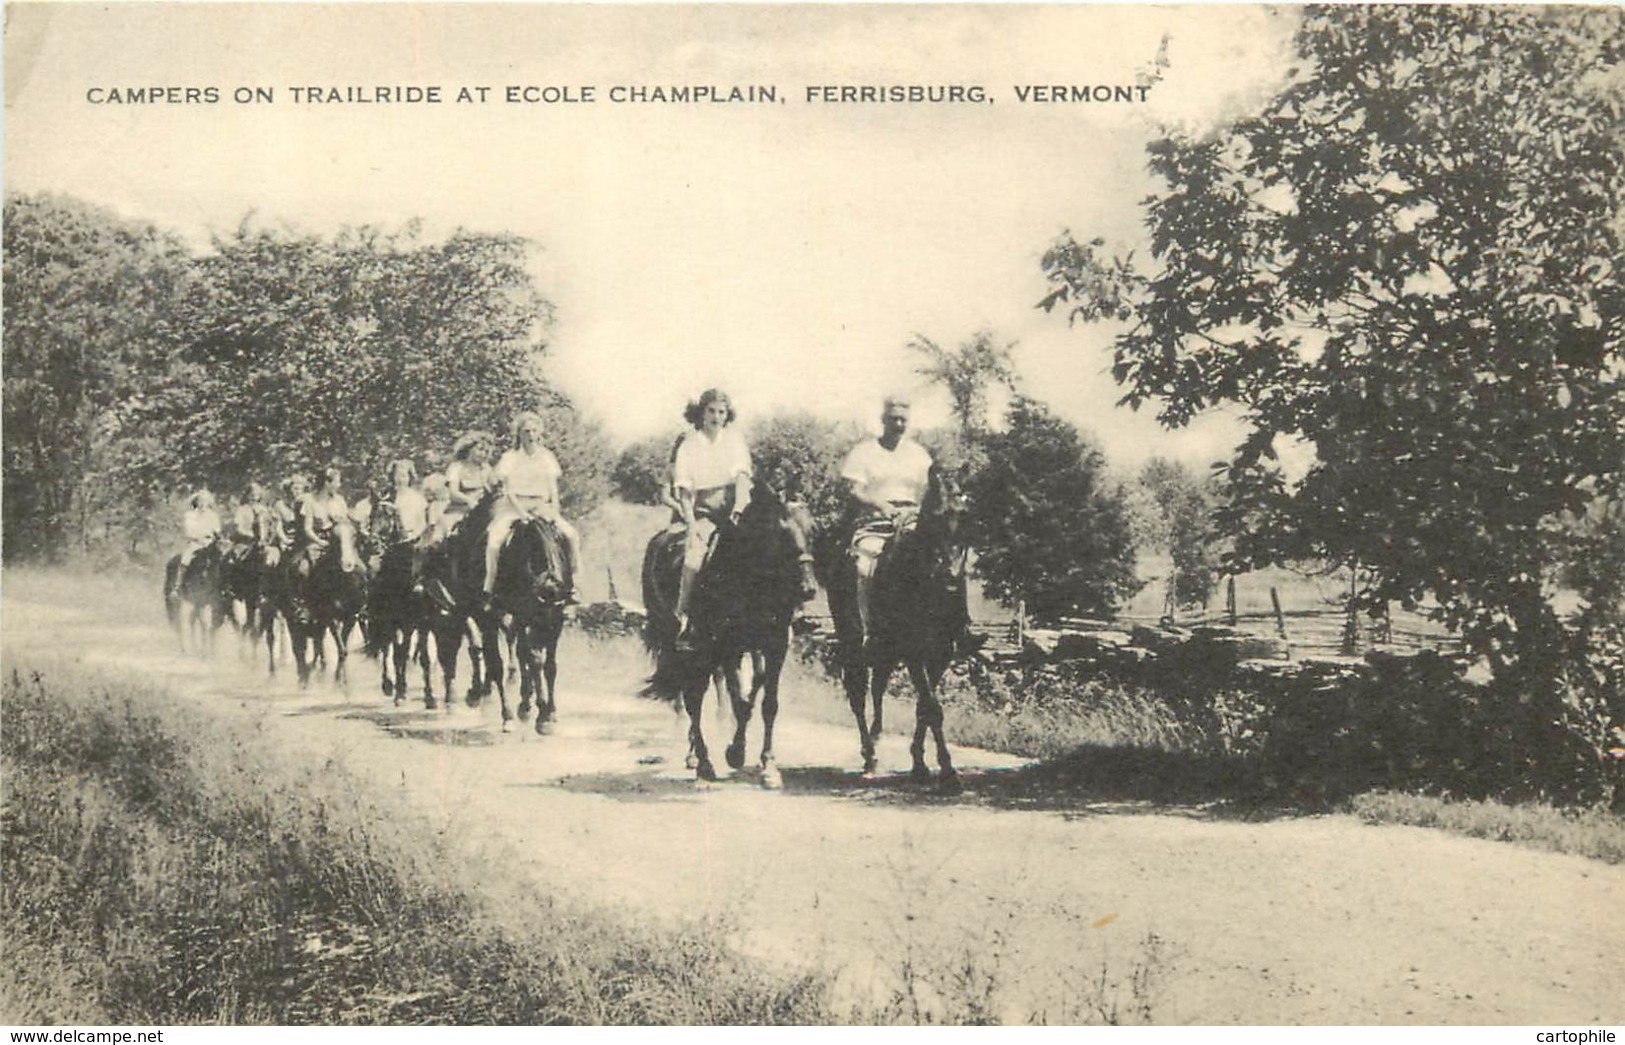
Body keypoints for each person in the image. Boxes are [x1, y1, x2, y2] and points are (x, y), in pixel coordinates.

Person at [839, 395, 935, 651]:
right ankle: (868, 629)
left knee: (944, 562)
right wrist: (882, 506)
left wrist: (915, 513)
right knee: (863, 566)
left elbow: (929, 491)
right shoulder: (865, 452)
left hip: (912, 520)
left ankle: (951, 627)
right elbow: (855, 491)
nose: (899, 424)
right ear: (883, 420)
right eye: (894, 419)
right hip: (875, 521)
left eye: (903, 419)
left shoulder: (919, 455)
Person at [670, 388, 753, 640]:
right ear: (701, 413)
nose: (717, 417)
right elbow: (684, 490)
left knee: (769, 546)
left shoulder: (734, 440)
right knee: (693, 560)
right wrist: (692, 523)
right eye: (712, 411)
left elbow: (741, 475)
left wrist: (739, 506)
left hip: (737, 507)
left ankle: (782, 616)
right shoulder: (689, 444)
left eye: (722, 411)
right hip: (705, 511)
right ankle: (684, 616)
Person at [481, 411, 583, 606]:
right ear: (519, 434)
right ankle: (490, 586)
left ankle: (573, 585)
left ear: (539, 433)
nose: (530, 435)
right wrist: (521, 513)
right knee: (494, 542)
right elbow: (508, 490)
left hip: (541, 505)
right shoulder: (510, 457)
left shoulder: (547, 457)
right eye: (526, 431)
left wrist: (554, 509)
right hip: (513, 507)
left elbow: (553, 487)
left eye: (534, 431)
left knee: (571, 535)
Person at [295, 465, 361, 576]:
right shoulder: (310, 500)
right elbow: (308, 528)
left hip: (338, 540)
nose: (339, 485)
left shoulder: (339, 500)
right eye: (337, 482)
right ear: (327, 483)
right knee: (303, 571)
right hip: (319, 541)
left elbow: (345, 523)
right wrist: (319, 541)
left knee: (361, 569)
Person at [170, 489, 222, 596]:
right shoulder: (190, 515)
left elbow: (217, 530)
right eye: (200, 500)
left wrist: (216, 536)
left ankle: (223, 587)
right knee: (186, 558)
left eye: (205, 500)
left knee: (222, 558)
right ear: (196, 502)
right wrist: (199, 537)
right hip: (196, 543)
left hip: (210, 543)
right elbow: (188, 531)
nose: (203, 503)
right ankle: (178, 586)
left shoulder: (213, 515)